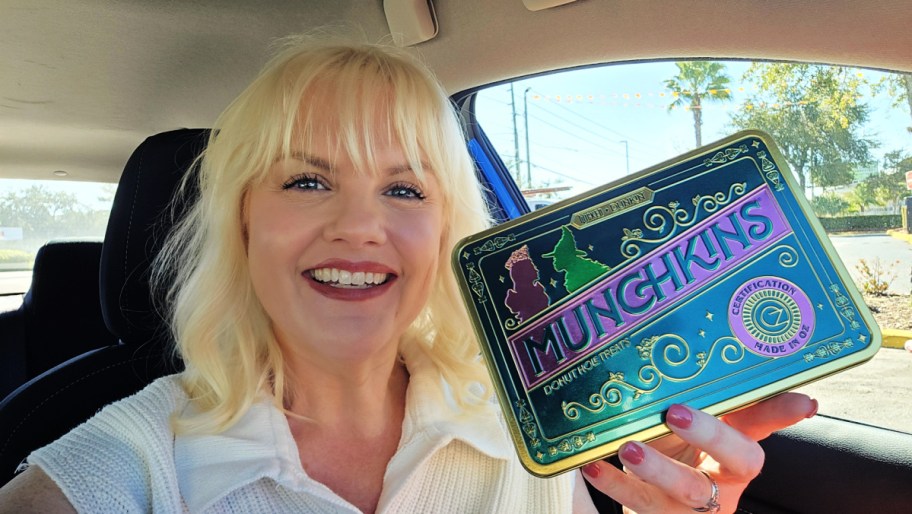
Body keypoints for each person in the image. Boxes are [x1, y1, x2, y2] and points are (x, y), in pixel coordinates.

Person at [0, 37, 817, 513]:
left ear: (447, 233)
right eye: (307, 180)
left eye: (404, 188)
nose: (360, 225)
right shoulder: (136, 457)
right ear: (241, 220)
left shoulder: (530, 430)